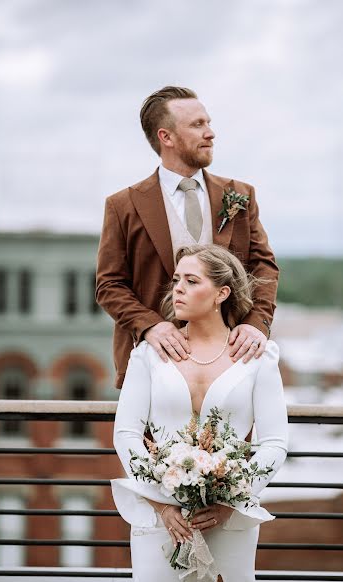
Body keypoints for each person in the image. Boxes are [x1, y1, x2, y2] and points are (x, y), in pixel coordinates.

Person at [112, 244, 288, 582]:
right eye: (176, 280)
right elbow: (126, 433)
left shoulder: (258, 357)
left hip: (229, 516)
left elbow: (274, 443)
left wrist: (228, 502)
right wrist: (163, 504)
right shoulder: (148, 354)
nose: (177, 288)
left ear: (222, 293)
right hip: (162, 515)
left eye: (191, 281)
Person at [96, 86, 279, 389]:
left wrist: (256, 325)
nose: (210, 133)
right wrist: (150, 326)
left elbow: (264, 268)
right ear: (165, 137)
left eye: (208, 122)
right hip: (153, 365)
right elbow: (109, 285)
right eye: (197, 125)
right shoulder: (123, 206)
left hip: (232, 362)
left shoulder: (241, 195)